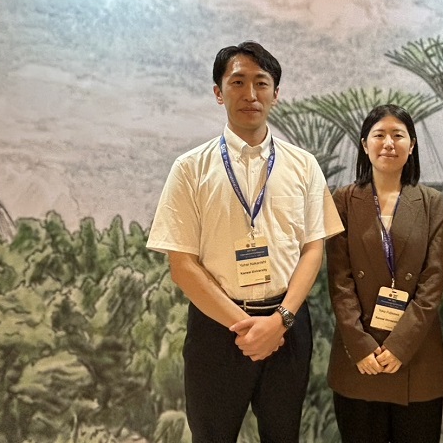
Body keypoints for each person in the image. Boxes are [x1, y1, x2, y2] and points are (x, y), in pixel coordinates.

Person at [146, 41, 344, 443]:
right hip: (216, 329)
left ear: (276, 93)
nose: (250, 94)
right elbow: (182, 265)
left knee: (283, 436)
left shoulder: (303, 165)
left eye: (261, 83)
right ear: (218, 92)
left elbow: (313, 249)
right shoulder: (190, 168)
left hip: (287, 325)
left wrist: (280, 320)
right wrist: (245, 327)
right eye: (237, 82)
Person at [326, 104, 443, 443]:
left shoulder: (431, 202)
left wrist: (400, 346)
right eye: (379, 135)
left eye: (398, 135)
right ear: (365, 144)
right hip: (359, 358)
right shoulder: (344, 200)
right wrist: (360, 345)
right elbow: (339, 281)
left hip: (417, 357)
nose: (389, 143)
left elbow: (433, 281)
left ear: (412, 145)